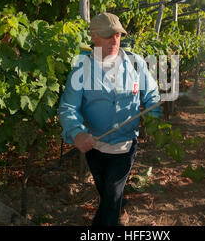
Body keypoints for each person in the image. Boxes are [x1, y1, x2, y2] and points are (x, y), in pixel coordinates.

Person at [58, 12, 162, 226]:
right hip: (95, 146)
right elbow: (68, 106)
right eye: (107, 36)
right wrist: (76, 132)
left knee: (110, 197)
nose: (114, 40)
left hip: (125, 146)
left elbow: (152, 93)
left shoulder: (135, 63)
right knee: (107, 193)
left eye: (117, 35)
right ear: (93, 35)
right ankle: (121, 206)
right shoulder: (81, 70)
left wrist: (153, 117)